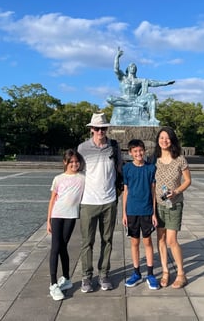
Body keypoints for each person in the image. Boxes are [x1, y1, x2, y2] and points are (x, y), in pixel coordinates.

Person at [77, 112, 122, 293]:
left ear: (107, 129)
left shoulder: (114, 146)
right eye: (97, 128)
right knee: (87, 241)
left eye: (103, 128)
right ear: (91, 130)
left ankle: (104, 273)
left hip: (109, 200)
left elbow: (119, 169)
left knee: (107, 240)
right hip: (88, 201)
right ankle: (86, 277)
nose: (100, 131)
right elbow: (76, 171)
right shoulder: (82, 148)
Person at [153, 126, 191, 289]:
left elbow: (188, 180)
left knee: (171, 240)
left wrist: (175, 191)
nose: (164, 140)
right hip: (158, 204)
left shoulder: (180, 159)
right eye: (161, 137)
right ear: (158, 140)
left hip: (174, 204)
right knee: (160, 239)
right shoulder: (154, 159)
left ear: (172, 140)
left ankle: (181, 273)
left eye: (167, 138)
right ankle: (165, 271)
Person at [47, 149, 85, 301]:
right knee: (55, 248)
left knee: (63, 246)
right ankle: (53, 283)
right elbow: (52, 199)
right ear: (65, 163)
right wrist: (48, 220)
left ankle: (67, 279)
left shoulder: (83, 178)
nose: (75, 164)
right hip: (57, 215)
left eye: (76, 161)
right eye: (71, 162)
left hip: (71, 216)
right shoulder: (58, 179)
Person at [122, 139, 159, 290]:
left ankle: (150, 273)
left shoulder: (151, 168)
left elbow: (153, 191)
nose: (138, 153)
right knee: (134, 242)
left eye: (140, 150)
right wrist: (124, 212)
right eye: (135, 151)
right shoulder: (127, 168)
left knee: (147, 242)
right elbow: (126, 191)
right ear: (130, 153)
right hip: (132, 211)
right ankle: (136, 272)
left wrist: (154, 213)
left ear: (144, 151)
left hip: (146, 210)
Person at [106, 48, 175, 125]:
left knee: (150, 96)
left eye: (134, 67)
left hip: (136, 100)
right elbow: (116, 69)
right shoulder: (123, 78)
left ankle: (153, 119)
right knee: (109, 98)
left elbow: (153, 83)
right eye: (131, 66)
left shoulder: (140, 80)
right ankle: (132, 105)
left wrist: (166, 83)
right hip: (124, 99)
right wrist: (117, 57)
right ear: (128, 69)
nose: (133, 68)